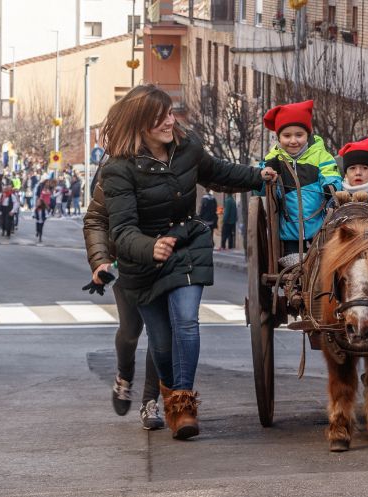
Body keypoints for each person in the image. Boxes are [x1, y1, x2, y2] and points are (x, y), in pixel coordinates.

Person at [100, 84, 277, 439]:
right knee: (161, 344)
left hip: (186, 244)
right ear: (140, 123)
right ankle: (169, 391)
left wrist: (257, 175)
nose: (170, 121)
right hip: (143, 263)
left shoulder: (187, 146)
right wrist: (149, 247)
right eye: (160, 117)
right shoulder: (118, 170)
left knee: (186, 322)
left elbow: (217, 172)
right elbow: (121, 230)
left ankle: (183, 407)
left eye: (169, 113)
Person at [83, 169, 165, 430]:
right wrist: (101, 262)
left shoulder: (170, 158)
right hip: (127, 264)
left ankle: (150, 402)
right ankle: (124, 377)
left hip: (163, 262)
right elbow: (97, 219)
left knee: (160, 334)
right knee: (130, 330)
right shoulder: (116, 168)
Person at [260, 100, 341, 257]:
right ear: (278, 137)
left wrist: (330, 186)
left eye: (299, 135)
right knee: (293, 268)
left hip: (319, 227)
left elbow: (333, 176)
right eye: (287, 135)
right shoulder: (272, 159)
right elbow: (262, 189)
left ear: (308, 135)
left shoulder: (321, 156)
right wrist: (268, 178)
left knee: (319, 267)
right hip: (288, 231)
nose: (293, 141)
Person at [337, 134, 368, 208]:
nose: (358, 173)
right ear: (346, 174)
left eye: (365, 168)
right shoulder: (339, 189)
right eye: (352, 168)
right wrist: (337, 201)